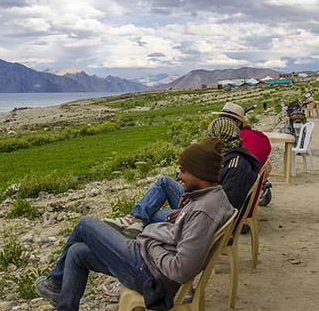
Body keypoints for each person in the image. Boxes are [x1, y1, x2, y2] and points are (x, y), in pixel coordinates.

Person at [31, 138, 233, 311]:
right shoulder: (215, 197)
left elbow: (181, 270)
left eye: (184, 170)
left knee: (85, 224)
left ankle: (55, 285)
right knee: (77, 253)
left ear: (201, 173)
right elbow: (196, 228)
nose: (179, 175)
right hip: (151, 264)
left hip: (151, 275)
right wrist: (185, 214)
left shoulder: (203, 212)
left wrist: (151, 243)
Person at [103, 101, 259, 238]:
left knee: (152, 214)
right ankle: (134, 219)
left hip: (204, 220)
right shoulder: (230, 154)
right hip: (200, 206)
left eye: (211, 137)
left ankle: (134, 235)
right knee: (164, 182)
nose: (207, 140)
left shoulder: (236, 165)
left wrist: (189, 208)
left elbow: (222, 207)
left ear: (220, 137)